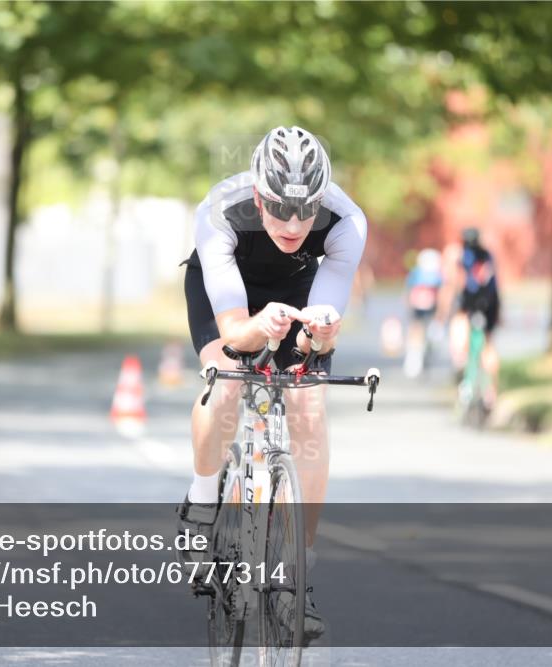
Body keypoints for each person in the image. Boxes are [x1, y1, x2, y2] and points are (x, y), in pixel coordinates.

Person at [178, 126, 367, 639]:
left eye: (306, 211)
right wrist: (257, 328)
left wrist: (317, 337)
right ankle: (201, 502)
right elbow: (235, 329)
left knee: (308, 409)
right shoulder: (220, 211)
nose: (293, 222)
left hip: (299, 285)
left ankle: (299, 571)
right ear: (259, 194)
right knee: (230, 378)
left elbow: (317, 346)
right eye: (280, 208)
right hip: (226, 283)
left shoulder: (346, 222)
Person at [437, 227, 501, 406]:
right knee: (488, 346)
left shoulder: (458, 256)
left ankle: (462, 367)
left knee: (459, 329)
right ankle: (490, 393)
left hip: (467, 304)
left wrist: (442, 314)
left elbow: (451, 285)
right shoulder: (487, 255)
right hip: (489, 305)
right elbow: (495, 284)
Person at [403, 248, 443, 378]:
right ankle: (415, 358)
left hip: (430, 308)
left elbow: (440, 292)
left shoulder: (435, 275)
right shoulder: (417, 273)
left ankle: (422, 355)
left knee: (427, 333)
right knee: (417, 331)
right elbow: (409, 291)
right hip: (419, 307)